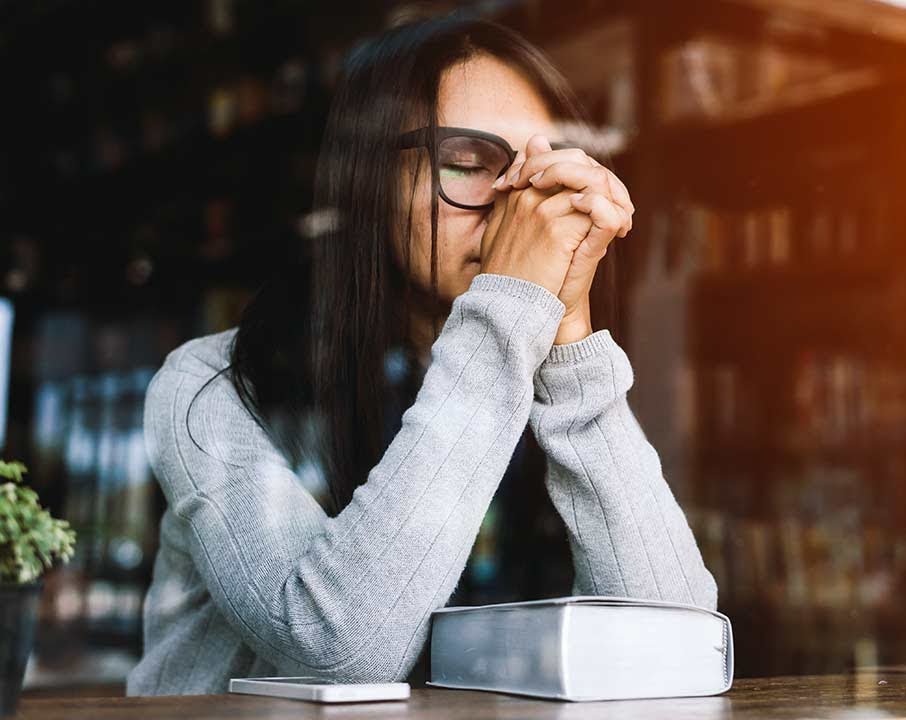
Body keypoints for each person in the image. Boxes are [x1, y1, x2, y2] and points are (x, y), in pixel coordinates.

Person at [126, 16, 716, 696]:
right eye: (467, 164)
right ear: (369, 183)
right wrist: (512, 304)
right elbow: (339, 648)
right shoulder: (208, 387)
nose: (520, 210)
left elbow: (678, 647)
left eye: (542, 176)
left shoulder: (524, 366)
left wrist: (569, 343)